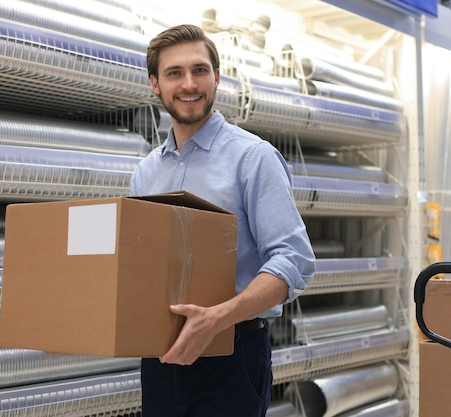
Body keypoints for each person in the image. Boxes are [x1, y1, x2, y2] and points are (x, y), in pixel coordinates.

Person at [130, 23, 316, 417]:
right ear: (154, 84)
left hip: (233, 354)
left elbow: (293, 260)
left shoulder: (252, 158)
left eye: (199, 70)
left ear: (217, 77)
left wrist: (216, 318)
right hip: (161, 356)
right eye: (174, 73)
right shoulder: (146, 173)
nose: (189, 83)